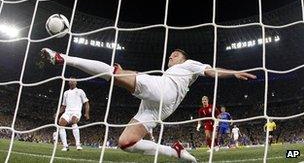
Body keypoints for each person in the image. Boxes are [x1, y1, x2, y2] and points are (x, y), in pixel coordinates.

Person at [41, 48, 256, 162]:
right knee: (126, 142)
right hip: (161, 106)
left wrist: (232, 73)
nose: (172, 55)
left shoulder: (190, 65)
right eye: (171, 54)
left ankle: (62, 58)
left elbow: (210, 71)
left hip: (165, 90)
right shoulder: (171, 70)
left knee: (111, 73)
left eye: (176, 54)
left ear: (183, 59)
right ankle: (175, 152)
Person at [57, 78, 90, 151]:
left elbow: (86, 103)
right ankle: (65, 146)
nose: (71, 82)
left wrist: (86, 113)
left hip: (76, 112)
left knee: (73, 121)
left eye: (73, 80)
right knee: (61, 123)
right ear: (68, 83)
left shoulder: (80, 91)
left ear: (76, 83)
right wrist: (58, 113)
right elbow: (63, 106)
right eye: (70, 80)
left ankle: (78, 145)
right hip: (67, 112)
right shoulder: (66, 93)